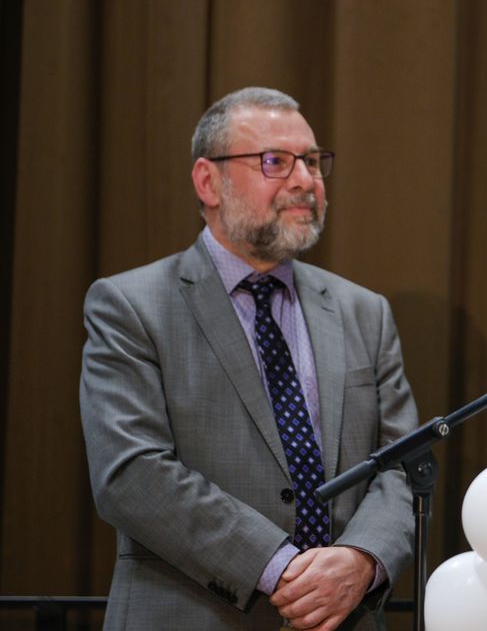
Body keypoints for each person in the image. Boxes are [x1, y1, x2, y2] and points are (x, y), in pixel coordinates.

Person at [80, 87, 418, 630]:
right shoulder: (130, 305)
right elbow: (132, 473)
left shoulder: (364, 312)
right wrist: (283, 568)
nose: (305, 180)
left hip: (345, 617)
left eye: (312, 162)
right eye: (275, 162)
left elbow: (400, 466)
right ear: (207, 181)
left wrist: (361, 561)